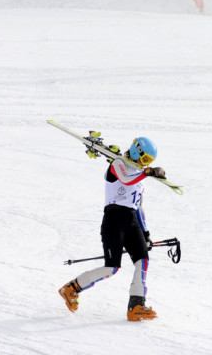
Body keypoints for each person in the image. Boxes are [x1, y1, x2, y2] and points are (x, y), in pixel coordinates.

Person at [59, 136, 167, 321]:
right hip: (114, 219)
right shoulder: (118, 164)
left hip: (132, 221)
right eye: (145, 159)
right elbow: (125, 180)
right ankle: (71, 289)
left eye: (149, 161)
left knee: (142, 261)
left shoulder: (139, 176)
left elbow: (138, 206)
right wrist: (147, 172)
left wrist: (145, 233)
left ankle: (136, 306)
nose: (145, 163)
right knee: (112, 268)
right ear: (137, 152)